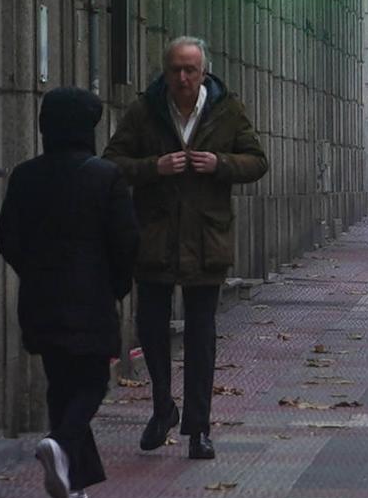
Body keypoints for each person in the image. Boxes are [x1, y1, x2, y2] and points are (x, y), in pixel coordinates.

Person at [104, 37, 268, 460]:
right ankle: (162, 407)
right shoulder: (145, 110)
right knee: (152, 330)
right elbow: (112, 163)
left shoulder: (227, 109)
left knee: (201, 336)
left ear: (203, 72)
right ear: (165, 71)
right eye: (175, 69)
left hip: (206, 238)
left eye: (190, 70)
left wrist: (221, 164)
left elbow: (257, 160)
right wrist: (152, 168)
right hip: (155, 236)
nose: (181, 78)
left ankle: (199, 427)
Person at [0, 87, 140, 498]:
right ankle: (59, 443)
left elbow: (8, 235)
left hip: (40, 296)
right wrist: (117, 282)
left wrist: (34, 271)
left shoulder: (25, 175)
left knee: (61, 381)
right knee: (93, 378)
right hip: (91, 296)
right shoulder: (105, 176)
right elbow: (125, 239)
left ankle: (74, 479)